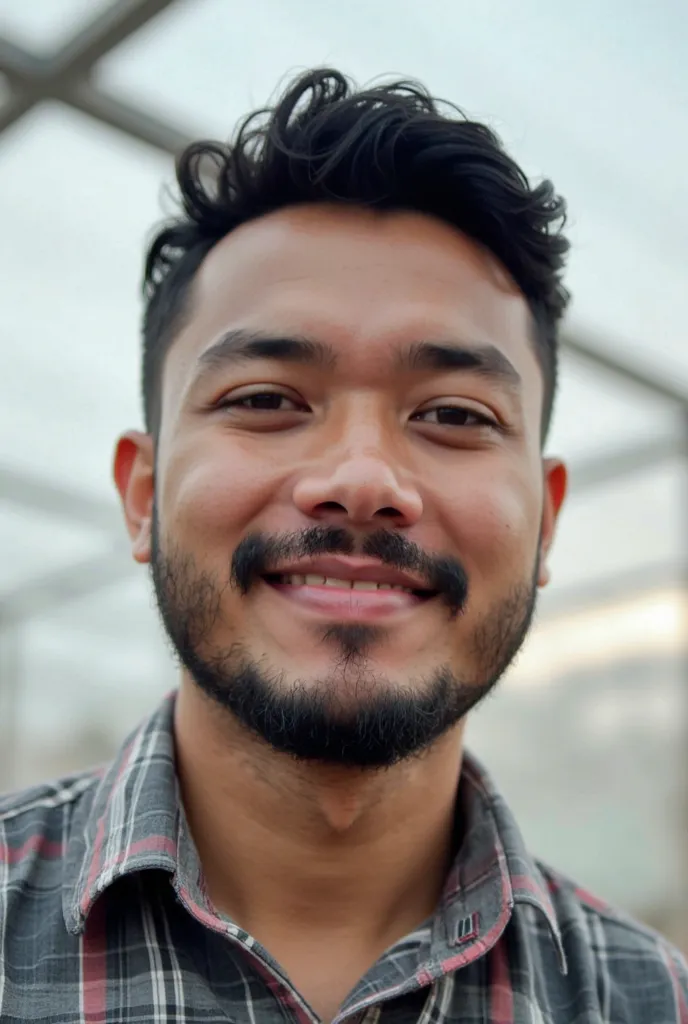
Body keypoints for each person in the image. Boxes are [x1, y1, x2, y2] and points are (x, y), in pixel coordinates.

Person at [1, 68, 686, 1024]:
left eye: (453, 414)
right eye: (267, 400)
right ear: (144, 495)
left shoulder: (651, 998)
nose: (362, 478)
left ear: (547, 520)